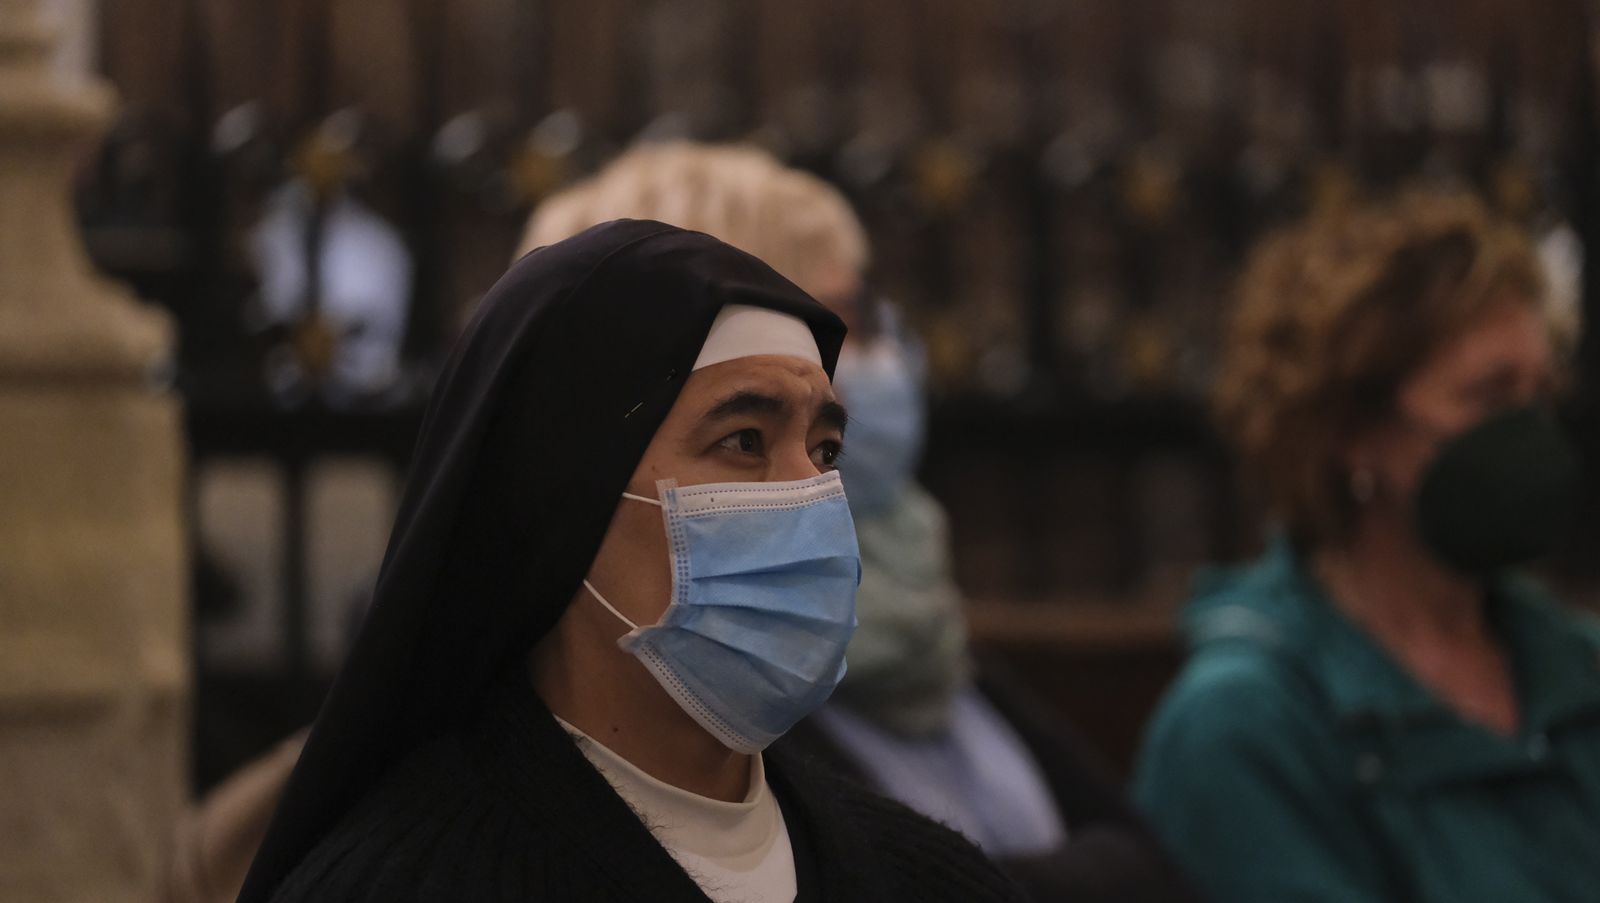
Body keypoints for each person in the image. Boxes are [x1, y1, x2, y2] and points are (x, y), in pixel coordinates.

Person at [235, 220, 1027, 902]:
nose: (812, 496)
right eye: (744, 441)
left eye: (825, 448)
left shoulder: (928, 879)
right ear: (563, 497)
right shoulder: (403, 884)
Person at [520, 142, 1204, 903]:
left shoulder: (912, 620)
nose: (888, 354)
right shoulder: (729, 652)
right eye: (847, 321)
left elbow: (1155, 868)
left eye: (872, 315)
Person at [1134, 190, 1600, 902]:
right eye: (1490, 397)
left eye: (1541, 395)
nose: (1530, 436)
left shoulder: (1571, 662)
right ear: (1352, 429)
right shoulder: (1246, 726)